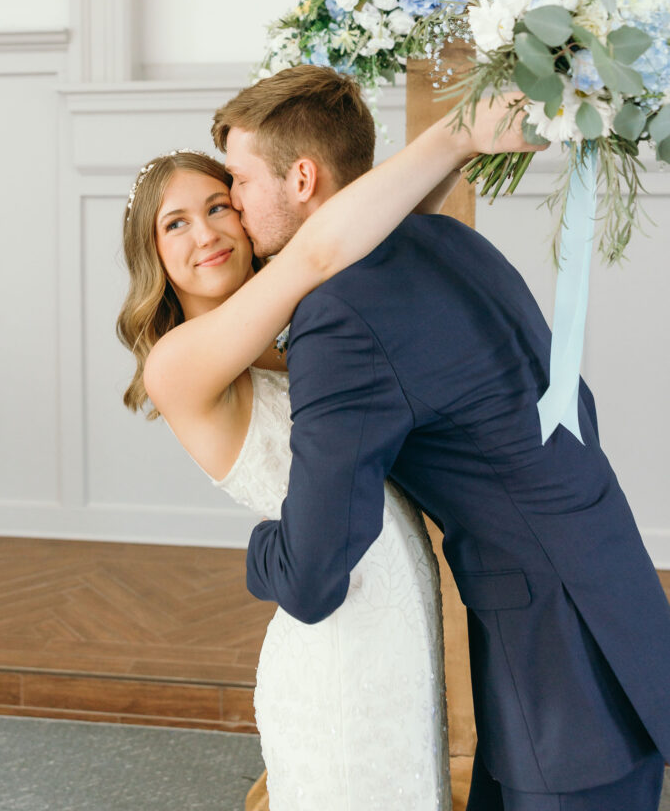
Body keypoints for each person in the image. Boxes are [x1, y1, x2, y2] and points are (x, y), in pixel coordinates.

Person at [208, 65, 670, 811]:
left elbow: (312, 574)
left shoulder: (339, 315)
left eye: (237, 179)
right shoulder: (448, 242)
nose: (230, 202)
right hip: (618, 603)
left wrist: (260, 545)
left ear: (301, 178)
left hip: (557, 673)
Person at [117, 72, 539, 811]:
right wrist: (456, 134)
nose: (207, 232)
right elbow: (319, 252)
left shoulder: (286, 326)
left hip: (398, 623)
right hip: (335, 642)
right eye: (175, 224)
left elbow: (367, 240)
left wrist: (450, 167)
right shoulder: (177, 364)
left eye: (218, 205)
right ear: (153, 254)